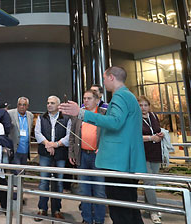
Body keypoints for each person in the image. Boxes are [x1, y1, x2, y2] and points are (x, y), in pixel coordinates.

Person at [60, 67, 146, 224]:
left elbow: (114, 122)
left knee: (120, 212)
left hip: (119, 162)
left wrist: (81, 113)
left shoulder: (120, 96)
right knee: (130, 209)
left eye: (105, 78)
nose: (104, 82)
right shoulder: (128, 96)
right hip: (125, 160)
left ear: (111, 77)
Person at [68, 89, 106, 224]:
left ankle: (99, 220)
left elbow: (109, 135)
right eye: (84, 98)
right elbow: (72, 135)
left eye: (89, 98)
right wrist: (72, 153)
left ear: (97, 100)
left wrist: (103, 148)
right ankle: (87, 219)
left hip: (98, 157)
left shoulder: (104, 114)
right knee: (84, 190)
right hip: (82, 156)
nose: (85, 101)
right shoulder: (79, 115)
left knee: (99, 190)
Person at [34, 95, 71, 219]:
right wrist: (47, 144)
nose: (49, 105)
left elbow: (68, 136)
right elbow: (37, 133)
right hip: (45, 153)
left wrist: (55, 144)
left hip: (60, 155)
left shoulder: (66, 118)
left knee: (58, 183)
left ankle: (56, 210)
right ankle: (42, 209)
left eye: (52, 103)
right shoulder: (41, 117)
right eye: (48, 102)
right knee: (44, 182)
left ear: (58, 105)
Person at [139, 97, 163, 223]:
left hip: (156, 153)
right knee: (149, 183)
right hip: (144, 154)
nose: (143, 108)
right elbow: (134, 137)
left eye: (145, 105)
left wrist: (160, 135)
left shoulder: (153, 116)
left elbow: (158, 130)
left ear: (149, 106)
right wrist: (150, 138)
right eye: (141, 105)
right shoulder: (135, 119)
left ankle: (148, 208)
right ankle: (154, 211)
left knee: (152, 183)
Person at [8, 96, 34, 164]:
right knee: (17, 172)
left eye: (24, 105)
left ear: (27, 106)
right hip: (14, 149)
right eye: (20, 104)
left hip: (25, 150)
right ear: (17, 105)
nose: (22, 107)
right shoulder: (10, 113)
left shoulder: (30, 115)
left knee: (23, 172)